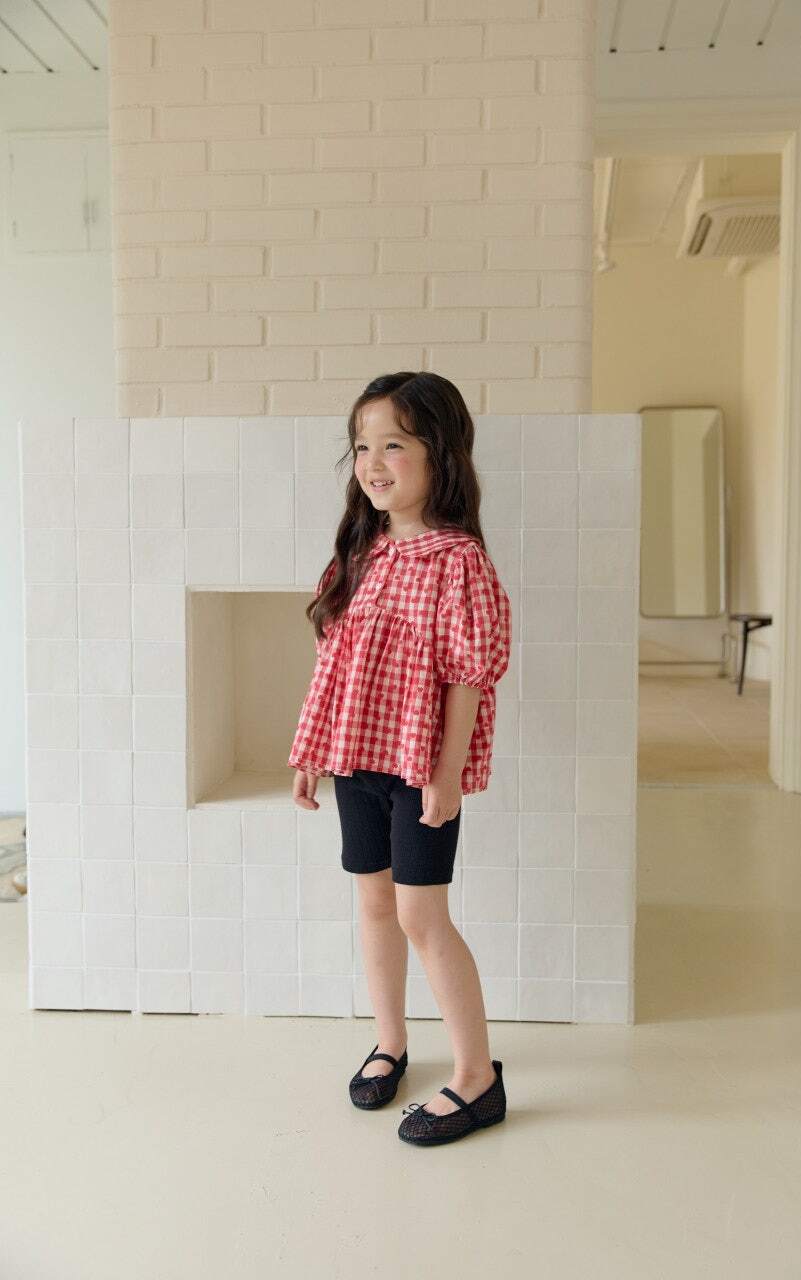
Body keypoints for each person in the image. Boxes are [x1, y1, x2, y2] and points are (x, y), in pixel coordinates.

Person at [288, 370, 512, 1147]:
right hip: (356, 761)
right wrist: (312, 749)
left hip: (419, 768)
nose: (373, 463)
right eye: (362, 446)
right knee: (375, 904)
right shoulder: (360, 551)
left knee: (422, 914)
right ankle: (391, 1041)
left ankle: (476, 1077)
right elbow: (334, 664)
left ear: (438, 454)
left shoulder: (457, 560)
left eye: (393, 445)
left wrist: (446, 773)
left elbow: (467, 676)